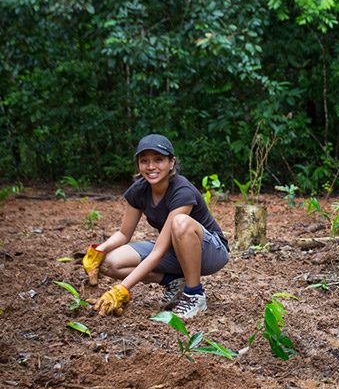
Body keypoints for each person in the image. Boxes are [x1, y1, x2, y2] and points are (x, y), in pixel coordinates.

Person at [82, 134, 229, 318]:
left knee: (180, 222)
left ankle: (194, 295)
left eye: (158, 160)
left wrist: (121, 290)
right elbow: (123, 233)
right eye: (144, 161)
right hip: (175, 249)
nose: (151, 167)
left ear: (171, 162)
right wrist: (97, 252)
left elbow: (158, 252)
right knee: (109, 263)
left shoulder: (182, 191)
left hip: (210, 252)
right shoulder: (139, 190)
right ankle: (175, 282)